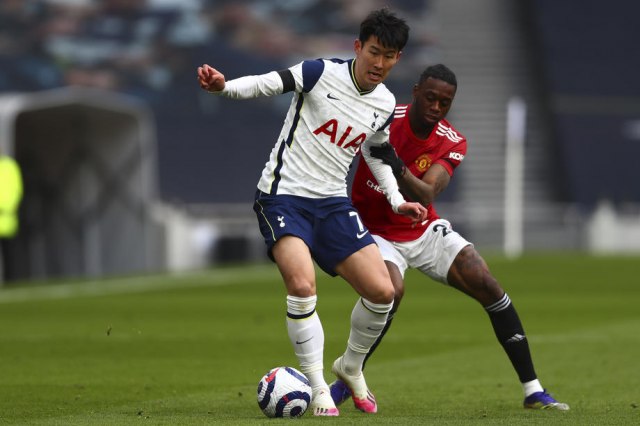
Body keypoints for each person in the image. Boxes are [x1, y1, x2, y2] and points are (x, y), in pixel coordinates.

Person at [197, 9, 428, 416]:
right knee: (303, 286)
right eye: (374, 52)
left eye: (389, 56)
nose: (379, 63)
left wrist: (395, 200)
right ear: (358, 47)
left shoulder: (385, 102)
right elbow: (268, 83)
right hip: (283, 197)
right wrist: (224, 87)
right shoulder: (318, 72)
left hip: (333, 204)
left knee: (383, 293)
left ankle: (350, 367)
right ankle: (318, 386)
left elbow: (375, 151)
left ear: (398, 58)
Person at [330, 64, 570, 411]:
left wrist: (398, 167)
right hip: (375, 231)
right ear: (416, 92)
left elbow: (428, 193)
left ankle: (533, 390)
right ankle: (346, 380)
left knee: (486, 281)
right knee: (390, 292)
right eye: (430, 98)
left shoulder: (452, 140)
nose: (436, 107)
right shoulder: (383, 117)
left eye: (445, 102)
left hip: (422, 228)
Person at [0, 153, 23, 283]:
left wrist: (8, 207)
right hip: (7, 218)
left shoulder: (9, 166)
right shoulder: (10, 166)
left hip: (7, 220)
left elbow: (17, 189)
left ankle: (11, 281)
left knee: (9, 255)